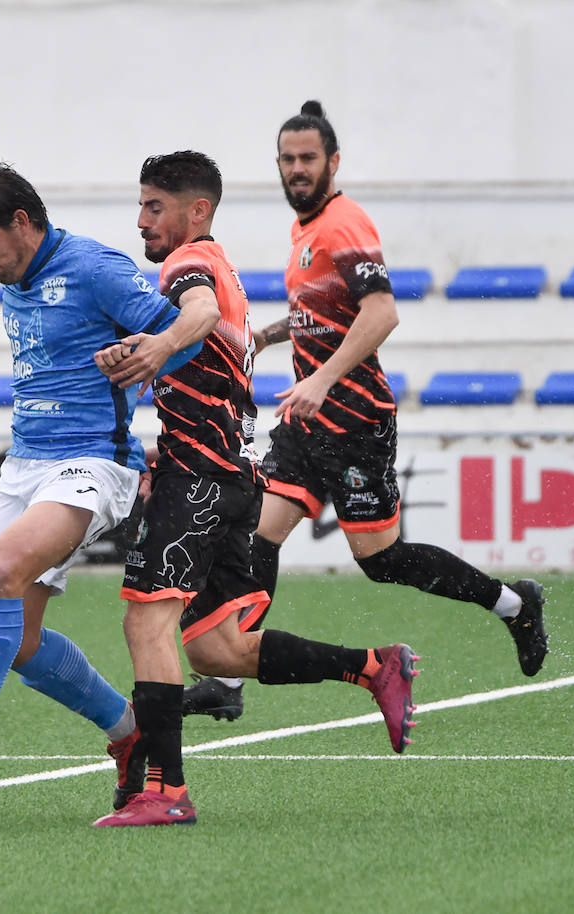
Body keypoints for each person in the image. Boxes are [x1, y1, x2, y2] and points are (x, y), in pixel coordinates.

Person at [183, 101, 548, 721]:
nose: (298, 169)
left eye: (309, 158)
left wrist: (322, 380)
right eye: (289, 159)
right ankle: (230, 679)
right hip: (307, 425)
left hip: (356, 424)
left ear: (333, 162)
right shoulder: (306, 227)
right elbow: (323, 312)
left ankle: (516, 604)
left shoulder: (343, 224)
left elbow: (382, 312)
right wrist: (272, 335)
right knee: (257, 536)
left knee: (382, 561)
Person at [90, 151, 417, 828]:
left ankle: (166, 792)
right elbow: (206, 337)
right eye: (142, 204)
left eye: (155, 205)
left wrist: (152, 348)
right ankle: (375, 667)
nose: (143, 218)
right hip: (234, 478)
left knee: (145, 621)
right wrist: (147, 346)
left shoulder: (188, 265)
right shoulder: (222, 265)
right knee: (218, 648)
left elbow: (200, 315)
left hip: (199, 480)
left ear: (195, 210)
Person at [0, 163, 217, 795]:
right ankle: (128, 731)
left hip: (92, 465)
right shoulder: (17, 277)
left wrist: (147, 351)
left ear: (22, 222)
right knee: (17, 642)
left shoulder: (95, 267)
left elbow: (185, 336)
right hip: (23, 465)